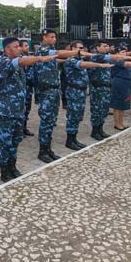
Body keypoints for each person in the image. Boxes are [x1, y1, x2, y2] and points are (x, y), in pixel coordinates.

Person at [0, 37, 56, 182]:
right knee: (4, 143)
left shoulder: (17, 65)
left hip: (18, 111)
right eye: (16, 47)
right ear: (7, 49)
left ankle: (12, 167)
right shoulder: (3, 62)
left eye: (19, 46)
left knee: (15, 141)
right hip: (6, 112)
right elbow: (21, 61)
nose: (19, 49)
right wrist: (40, 58)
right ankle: (4, 172)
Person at [32, 29, 76, 163]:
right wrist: (77, 52)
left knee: (51, 121)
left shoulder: (50, 51)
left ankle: (48, 149)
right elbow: (58, 53)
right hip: (46, 91)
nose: (54, 39)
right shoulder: (42, 50)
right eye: (51, 37)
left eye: (55, 37)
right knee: (46, 121)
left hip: (54, 91)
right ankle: (42, 151)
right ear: (44, 37)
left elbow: (55, 60)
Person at [62, 41, 113, 150]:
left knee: (78, 115)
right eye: (79, 48)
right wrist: (100, 64)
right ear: (72, 49)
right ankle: (70, 140)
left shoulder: (80, 59)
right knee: (73, 116)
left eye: (83, 47)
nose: (82, 50)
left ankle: (74, 139)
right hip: (74, 91)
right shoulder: (71, 60)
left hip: (81, 91)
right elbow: (82, 65)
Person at [22, 41, 37, 136]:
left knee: (27, 109)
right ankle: (20, 130)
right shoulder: (21, 58)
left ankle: (24, 128)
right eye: (25, 45)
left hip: (29, 87)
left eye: (28, 45)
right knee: (22, 110)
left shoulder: (28, 55)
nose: (27, 47)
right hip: (24, 87)